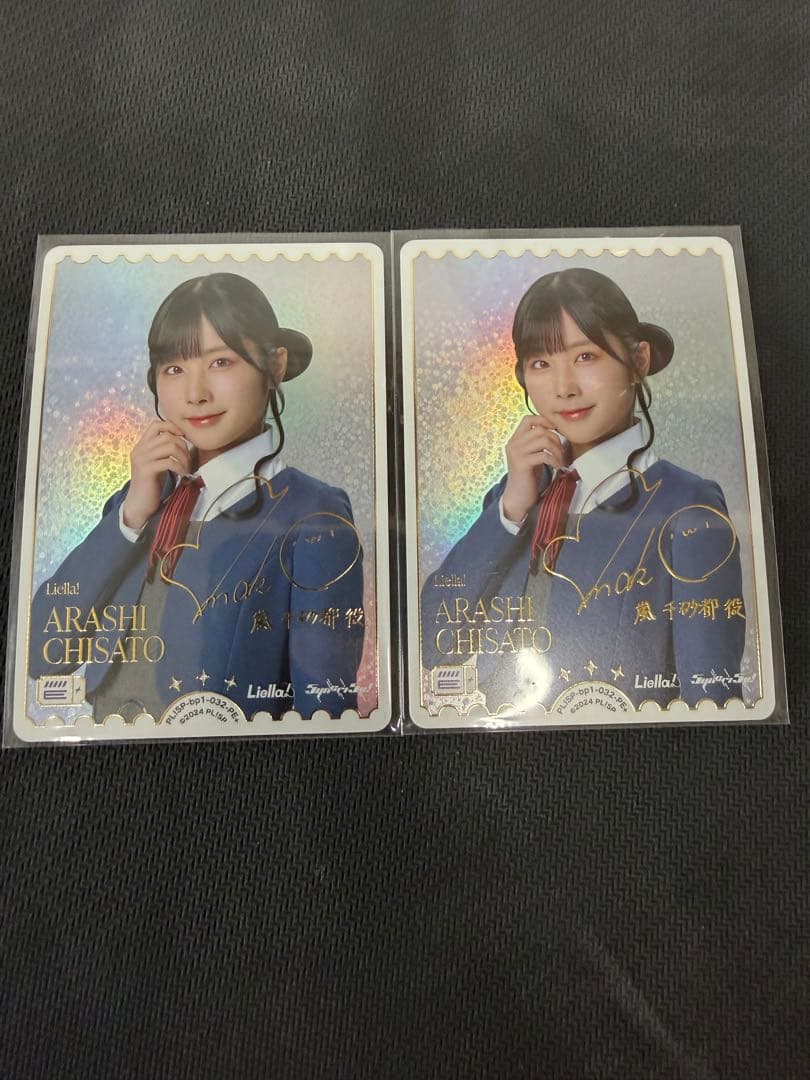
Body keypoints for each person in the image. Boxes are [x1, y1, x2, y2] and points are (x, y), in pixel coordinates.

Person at [30, 272, 365, 721]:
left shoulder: (314, 514)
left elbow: (324, 714)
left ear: (275, 366)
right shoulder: (139, 500)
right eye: (174, 369)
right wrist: (130, 517)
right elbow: (41, 654)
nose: (195, 394)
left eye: (220, 362)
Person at [421, 267, 746, 712]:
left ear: (639, 360)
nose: (564, 388)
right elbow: (433, 646)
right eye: (541, 363)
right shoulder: (514, 496)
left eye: (586, 356)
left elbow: (712, 706)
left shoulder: (687, 507)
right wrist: (510, 510)